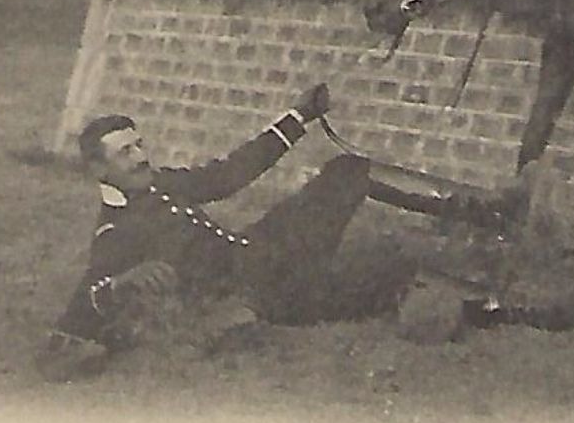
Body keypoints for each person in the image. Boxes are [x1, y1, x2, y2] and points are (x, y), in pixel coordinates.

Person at [37, 84, 377, 382]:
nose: (141, 158)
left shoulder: (161, 183)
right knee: (381, 277)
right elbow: (87, 303)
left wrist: (301, 114)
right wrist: (124, 283)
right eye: (126, 153)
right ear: (99, 169)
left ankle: (433, 207)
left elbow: (227, 176)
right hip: (265, 289)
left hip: (262, 245)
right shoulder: (115, 232)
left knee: (349, 170)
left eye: (139, 145)